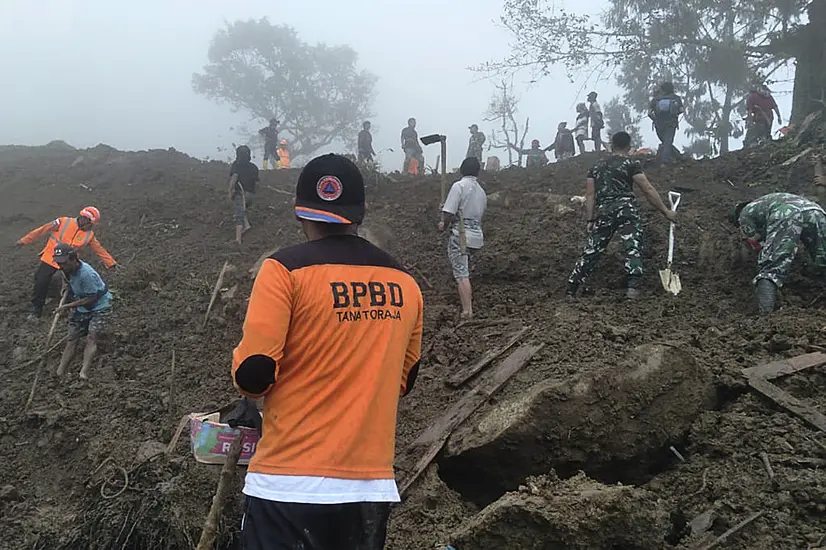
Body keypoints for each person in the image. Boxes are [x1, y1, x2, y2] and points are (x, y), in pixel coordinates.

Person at [232, 153, 423, 550]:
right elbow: (406, 381)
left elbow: (254, 376)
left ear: (299, 212)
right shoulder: (405, 284)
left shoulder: (282, 271)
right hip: (369, 490)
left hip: (287, 485)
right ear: (359, 215)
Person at [567, 132, 678, 299]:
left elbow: (590, 195)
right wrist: (666, 211)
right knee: (632, 246)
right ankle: (633, 288)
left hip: (604, 211)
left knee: (592, 250)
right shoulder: (630, 164)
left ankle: (572, 288)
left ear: (612, 145)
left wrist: (590, 219)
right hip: (626, 210)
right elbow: (646, 189)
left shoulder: (596, 167)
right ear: (629, 146)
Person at [730, 193, 826, 313]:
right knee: (823, 257)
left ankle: (766, 316)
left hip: (786, 213)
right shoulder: (766, 201)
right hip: (814, 210)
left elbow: (756, 243)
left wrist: (765, 257)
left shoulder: (743, 214)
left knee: (770, 267)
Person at [17, 206, 116, 318]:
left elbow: (99, 249)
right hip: (51, 257)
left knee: (72, 286)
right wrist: (24, 241)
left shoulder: (89, 234)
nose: (91, 226)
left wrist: (110, 263)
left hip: (69, 263)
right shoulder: (63, 222)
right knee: (41, 280)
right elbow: (43, 229)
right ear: (84, 219)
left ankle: (71, 307)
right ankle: (37, 309)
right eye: (91, 223)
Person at [52, 244, 113, 380]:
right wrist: (65, 288)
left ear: (73, 259)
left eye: (64, 263)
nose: (61, 266)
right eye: (58, 263)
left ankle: (83, 372)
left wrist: (67, 306)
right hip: (81, 307)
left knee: (91, 337)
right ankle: (60, 372)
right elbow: (66, 279)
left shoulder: (86, 274)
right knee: (72, 339)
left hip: (99, 306)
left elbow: (91, 298)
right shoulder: (64, 268)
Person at [439, 157, 488, 318]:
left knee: (461, 274)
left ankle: (467, 310)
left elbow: (449, 212)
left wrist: (443, 224)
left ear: (462, 169)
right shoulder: (481, 191)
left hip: (460, 235)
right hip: (477, 236)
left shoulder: (458, 186)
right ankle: (468, 303)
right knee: (465, 270)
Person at [228, 145, 259, 245]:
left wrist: (230, 190)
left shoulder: (236, 165)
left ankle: (238, 239)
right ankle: (247, 225)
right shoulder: (254, 167)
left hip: (241, 193)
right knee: (243, 209)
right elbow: (256, 181)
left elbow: (234, 177)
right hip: (251, 195)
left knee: (239, 214)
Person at [649, 82, 684, 165]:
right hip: (671, 123)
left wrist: (655, 119)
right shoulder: (676, 98)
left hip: (659, 124)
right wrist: (675, 114)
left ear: (662, 89)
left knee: (666, 143)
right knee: (667, 142)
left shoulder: (656, 99)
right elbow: (682, 110)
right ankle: (665, 162)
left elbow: (649, 113)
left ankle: (675, 157)